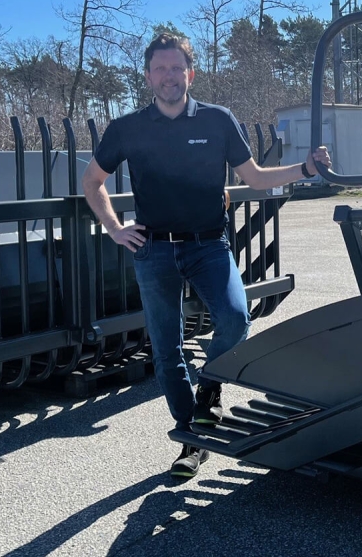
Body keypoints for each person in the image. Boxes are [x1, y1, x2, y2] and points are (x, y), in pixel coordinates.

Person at [81, 33, 330, 479]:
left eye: (177, 68)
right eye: (160, 69)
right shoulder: (127, 128)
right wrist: (115, 229)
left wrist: (306, 169)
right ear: (147, 76)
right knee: (166, 349)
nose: (169, 77)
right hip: (152, 249)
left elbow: (253, 178)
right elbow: (92, 181)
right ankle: (190, 438)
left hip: (209, 244)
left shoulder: (217, 120)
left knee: (236, 319)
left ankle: (208, 393)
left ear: (190, 73)